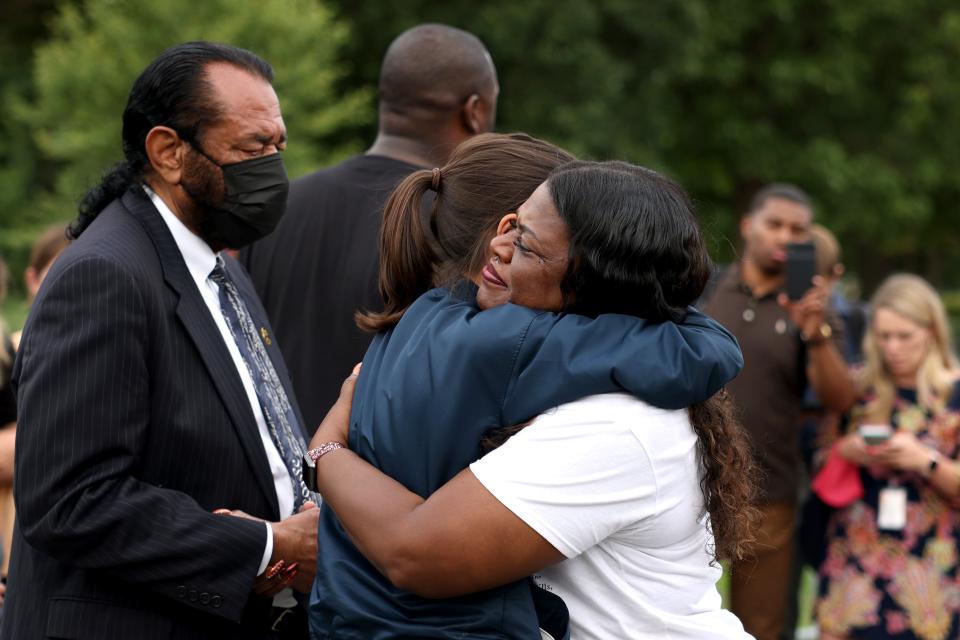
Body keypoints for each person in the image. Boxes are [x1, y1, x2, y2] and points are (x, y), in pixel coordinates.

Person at [309, 160, 758, 639]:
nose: (498, 248)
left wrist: (327, 449)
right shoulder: (571, 366)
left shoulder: (616, 423)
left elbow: (414, 554)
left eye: (525, 246)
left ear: (593, 286)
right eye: (510, 225)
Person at [2, 42, 320, 639]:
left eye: (279, 145)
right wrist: (264, 544)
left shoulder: (219, 267)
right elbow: (68, 498)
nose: (273, 167)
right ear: (169, 151)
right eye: (253, 148)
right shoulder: (106, 276)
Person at [241, 23, 499, 429]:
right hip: (381, 484)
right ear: (475, 111)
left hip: (275, 472)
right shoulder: (465, 226)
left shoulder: (283, 205)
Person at [702, 183, 857, 640]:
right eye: (775, 225)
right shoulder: (706, 288)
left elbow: (839, 399)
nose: (785, 238)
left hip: (769, 491)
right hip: (691, 483)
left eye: (798, 230)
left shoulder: (815, 311)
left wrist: (816, 333)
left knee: (762, 625)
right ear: (749, 227)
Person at [816, 274, 960, 640]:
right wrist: (846, 451)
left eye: (904, 336)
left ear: (931, 332)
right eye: (883, 336)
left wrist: (922, 460)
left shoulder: (954, 394)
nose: (892, 347)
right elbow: (819, 462)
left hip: (931, 567)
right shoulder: (858, 387)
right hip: (855, 557)